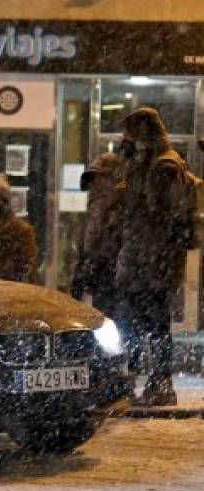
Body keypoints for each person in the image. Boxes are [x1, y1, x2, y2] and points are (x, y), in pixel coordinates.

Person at [114, 107, 192, 406]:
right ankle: (136, 382)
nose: (127, 141)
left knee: (154, 326)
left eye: (131, 135)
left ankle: (160, 383)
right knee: (133, 324)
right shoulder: (145, 163)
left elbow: (163, 215)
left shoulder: (165, 166)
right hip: (139, 259)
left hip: (152, 262)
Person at [71, 153, 124, 320]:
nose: (95, 186)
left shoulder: (121, 210)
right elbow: (87, 245)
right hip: (101, 279)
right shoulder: (95, 210)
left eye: (100, 180)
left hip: (113, 279)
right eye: (94, 182)